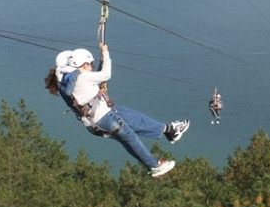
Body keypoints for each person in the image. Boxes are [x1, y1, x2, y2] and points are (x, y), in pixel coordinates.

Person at [45, 43, 190, 178]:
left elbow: (97, 77)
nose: (92, 67)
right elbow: (106, 74)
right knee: (130, 139)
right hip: (104, 119)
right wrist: (105, 53)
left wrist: (102, 59)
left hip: (101, 116)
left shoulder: (65, 81)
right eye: (91, 64)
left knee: (135, 119)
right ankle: (154, 165)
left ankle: (169, 131)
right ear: (83, 65)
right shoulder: (81, 77)